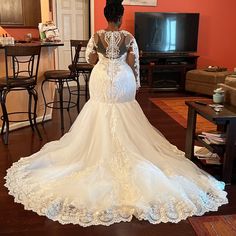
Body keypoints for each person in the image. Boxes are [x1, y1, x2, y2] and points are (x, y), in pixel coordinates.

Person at [5, 0, 227, 227]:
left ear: (105, 16)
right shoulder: (129, 38)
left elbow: (90, 60)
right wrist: (135, 81)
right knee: (124, 111)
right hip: (122, 80)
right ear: (120, 17)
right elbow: (133, 63)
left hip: (101, 79)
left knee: (98, 109)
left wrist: (103, 57)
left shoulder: (96, 36)